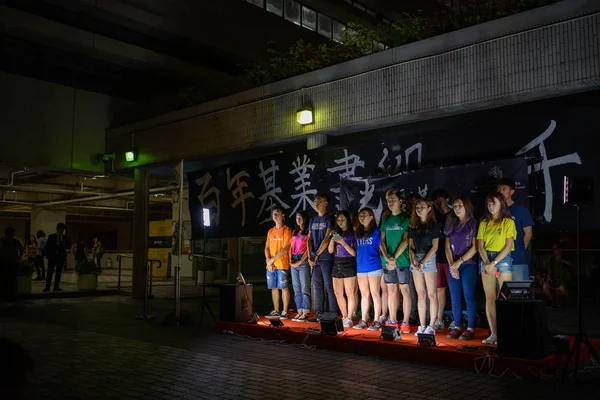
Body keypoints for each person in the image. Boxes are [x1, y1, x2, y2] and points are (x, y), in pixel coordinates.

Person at [477, 192, 517, 345]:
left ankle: (505, 332)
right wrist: (487, 262)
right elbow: (480, 246)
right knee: (490, 297)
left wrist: (493, 263)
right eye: (488, 204)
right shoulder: (484, 222)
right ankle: (494, 333)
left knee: (505, 296)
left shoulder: (508, 222)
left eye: (493, 203)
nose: (491, 206)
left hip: (502, 259)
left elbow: (508, 247)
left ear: (501, 203)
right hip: (486, 258)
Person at [444, 197, 479, 340]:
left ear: (467, 207)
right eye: (455, 205)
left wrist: (459, 262)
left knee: (469, 296)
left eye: (460, 205)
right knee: (455, 297)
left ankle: (470, 328)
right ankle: (457, 326)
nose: (457, 208)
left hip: (468, 264)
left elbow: (475, 246)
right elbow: (447, 246)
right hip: (453, 265)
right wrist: (453, 265)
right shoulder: (451, 224)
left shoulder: (473, 223)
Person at [380, 189, 412, 334]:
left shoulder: (407, 217)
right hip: (387, 260)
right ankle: (392, 320)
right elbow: (381, 239)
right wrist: (387, 257)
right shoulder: (386, 219)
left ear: (401, 201)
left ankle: (405, 322)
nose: (390, 203)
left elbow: (406, 240)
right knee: (391, 290)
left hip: (403, 260)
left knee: (404, 289)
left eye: (393, 199)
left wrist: (394, 257)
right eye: (388, 200)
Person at [408, 198, 440, 336]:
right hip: (416, 259)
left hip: (429, 258)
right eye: (417, 207)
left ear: (429, 208)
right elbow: (410, 246)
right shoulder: (413, 225)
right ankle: (421, 325)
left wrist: (423, 262)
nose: (419, 209)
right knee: (420, 293)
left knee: (431, 294)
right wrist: (413, 261)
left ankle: (431, 325)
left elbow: (435, 247)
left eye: (422, 206)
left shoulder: (433, 225)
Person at [307, 193, 337, 322]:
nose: (316, 203)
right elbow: (309, 239)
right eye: (315, 201)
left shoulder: (329, 218)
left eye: (319, 201)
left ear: (326, 203)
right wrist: (309, 256)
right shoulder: (312, 220)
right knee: (317, 286)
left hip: (325, 258)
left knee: (329, 286)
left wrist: (316, 254)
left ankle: (333, 314)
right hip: (314, 258)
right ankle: (318, 313)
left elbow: (327, 239)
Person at [497, 178, 534, 281]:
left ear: (512, 192)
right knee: (501, 294)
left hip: (517, 260)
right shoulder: (494, 211)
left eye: (504, 189)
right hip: (498, 260)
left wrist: (519, 250)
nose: (501, 192)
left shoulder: (521, 210)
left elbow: (528, 234)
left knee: (519, 293)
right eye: (499, 189)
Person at [353, 208, 383, 331]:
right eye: (360, 215)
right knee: (364, 294)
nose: (362, 217)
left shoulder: (376, 232)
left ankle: (376, 321)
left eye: (365, 215)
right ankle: (364, 320)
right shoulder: (358, 232)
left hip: (374, 266)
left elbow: (382, 249)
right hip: (361, 267)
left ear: (371, 217)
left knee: (375, 293)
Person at [328, 210, 357, 328]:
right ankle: (344, 316)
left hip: (348, 263)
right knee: (338, 293)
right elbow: (330, 251)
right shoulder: (336, 233)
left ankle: (350, 317)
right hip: (336, 263)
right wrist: (332, 239)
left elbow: (353, 253)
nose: (340, 222)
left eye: (343, 219)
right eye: (338, 220)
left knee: (349, 293)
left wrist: (343, 242)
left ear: (347, 220)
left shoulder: (352, 233)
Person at [264, 207, 292, 319]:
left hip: (282, 263)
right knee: (273, 287)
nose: (275, 216)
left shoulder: (287, 230)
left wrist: (272, 259)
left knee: (283, 287)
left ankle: (284, 311)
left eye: (277, 214)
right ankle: (276, 310)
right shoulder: (270, 231)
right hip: (271, 265)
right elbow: (266, 247)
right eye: (273, 214)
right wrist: (269, 261)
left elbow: (285, 248)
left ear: (283, 215)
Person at [431, 188, 451, 330]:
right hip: (437, 258)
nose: (438, 203)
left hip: (452, 258)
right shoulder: (433, 216)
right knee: (439, 289)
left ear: (447, 200)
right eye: (435, 200)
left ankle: (457, 320)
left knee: (455, 290)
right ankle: (439, 319)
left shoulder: (453, 215)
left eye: (440, 199)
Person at [289, 211, 311, 322]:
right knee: (296, 287)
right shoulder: (294, 232)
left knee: (304, 287)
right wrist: (290, 259)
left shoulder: (308, 232)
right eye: (297, 218)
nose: (298, 220)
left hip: (303, 260)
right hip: (294, 258)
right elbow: (291, 246)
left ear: (305, 219)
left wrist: (301, 261)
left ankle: (305, 311)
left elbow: (308, 249)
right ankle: (299, 311)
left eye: (300, 217)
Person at [43, 222, 70, 292]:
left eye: (63, 229)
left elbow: (68, 246)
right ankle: (47, 287)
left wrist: (62, 245)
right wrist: (56, 245)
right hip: (52, 257)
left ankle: (56, 286)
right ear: (57, 229)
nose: (62, 231)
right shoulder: (51, 236)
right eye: (61, 229)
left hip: (61, 256)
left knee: (59, 273)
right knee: (50, 272)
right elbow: (49, 246)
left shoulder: (65, 237)